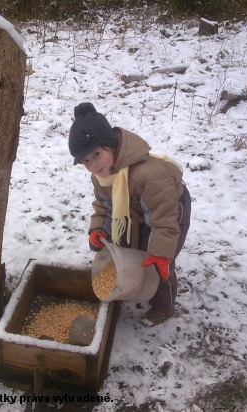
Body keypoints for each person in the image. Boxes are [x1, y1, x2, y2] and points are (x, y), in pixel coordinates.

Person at [68, 102, 191, 326]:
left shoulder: (149, 173)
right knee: (133, 250)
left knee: (158, 258)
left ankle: (165, 304)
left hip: (169, 210)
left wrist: (162, 252)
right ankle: (134, 284)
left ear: (111, 146)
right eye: (85, 160)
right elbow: (104, 205)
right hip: (137, 210)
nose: (93, 165)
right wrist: (98, 229)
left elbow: (163, 218)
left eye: (96, 154)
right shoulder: (102, 176)